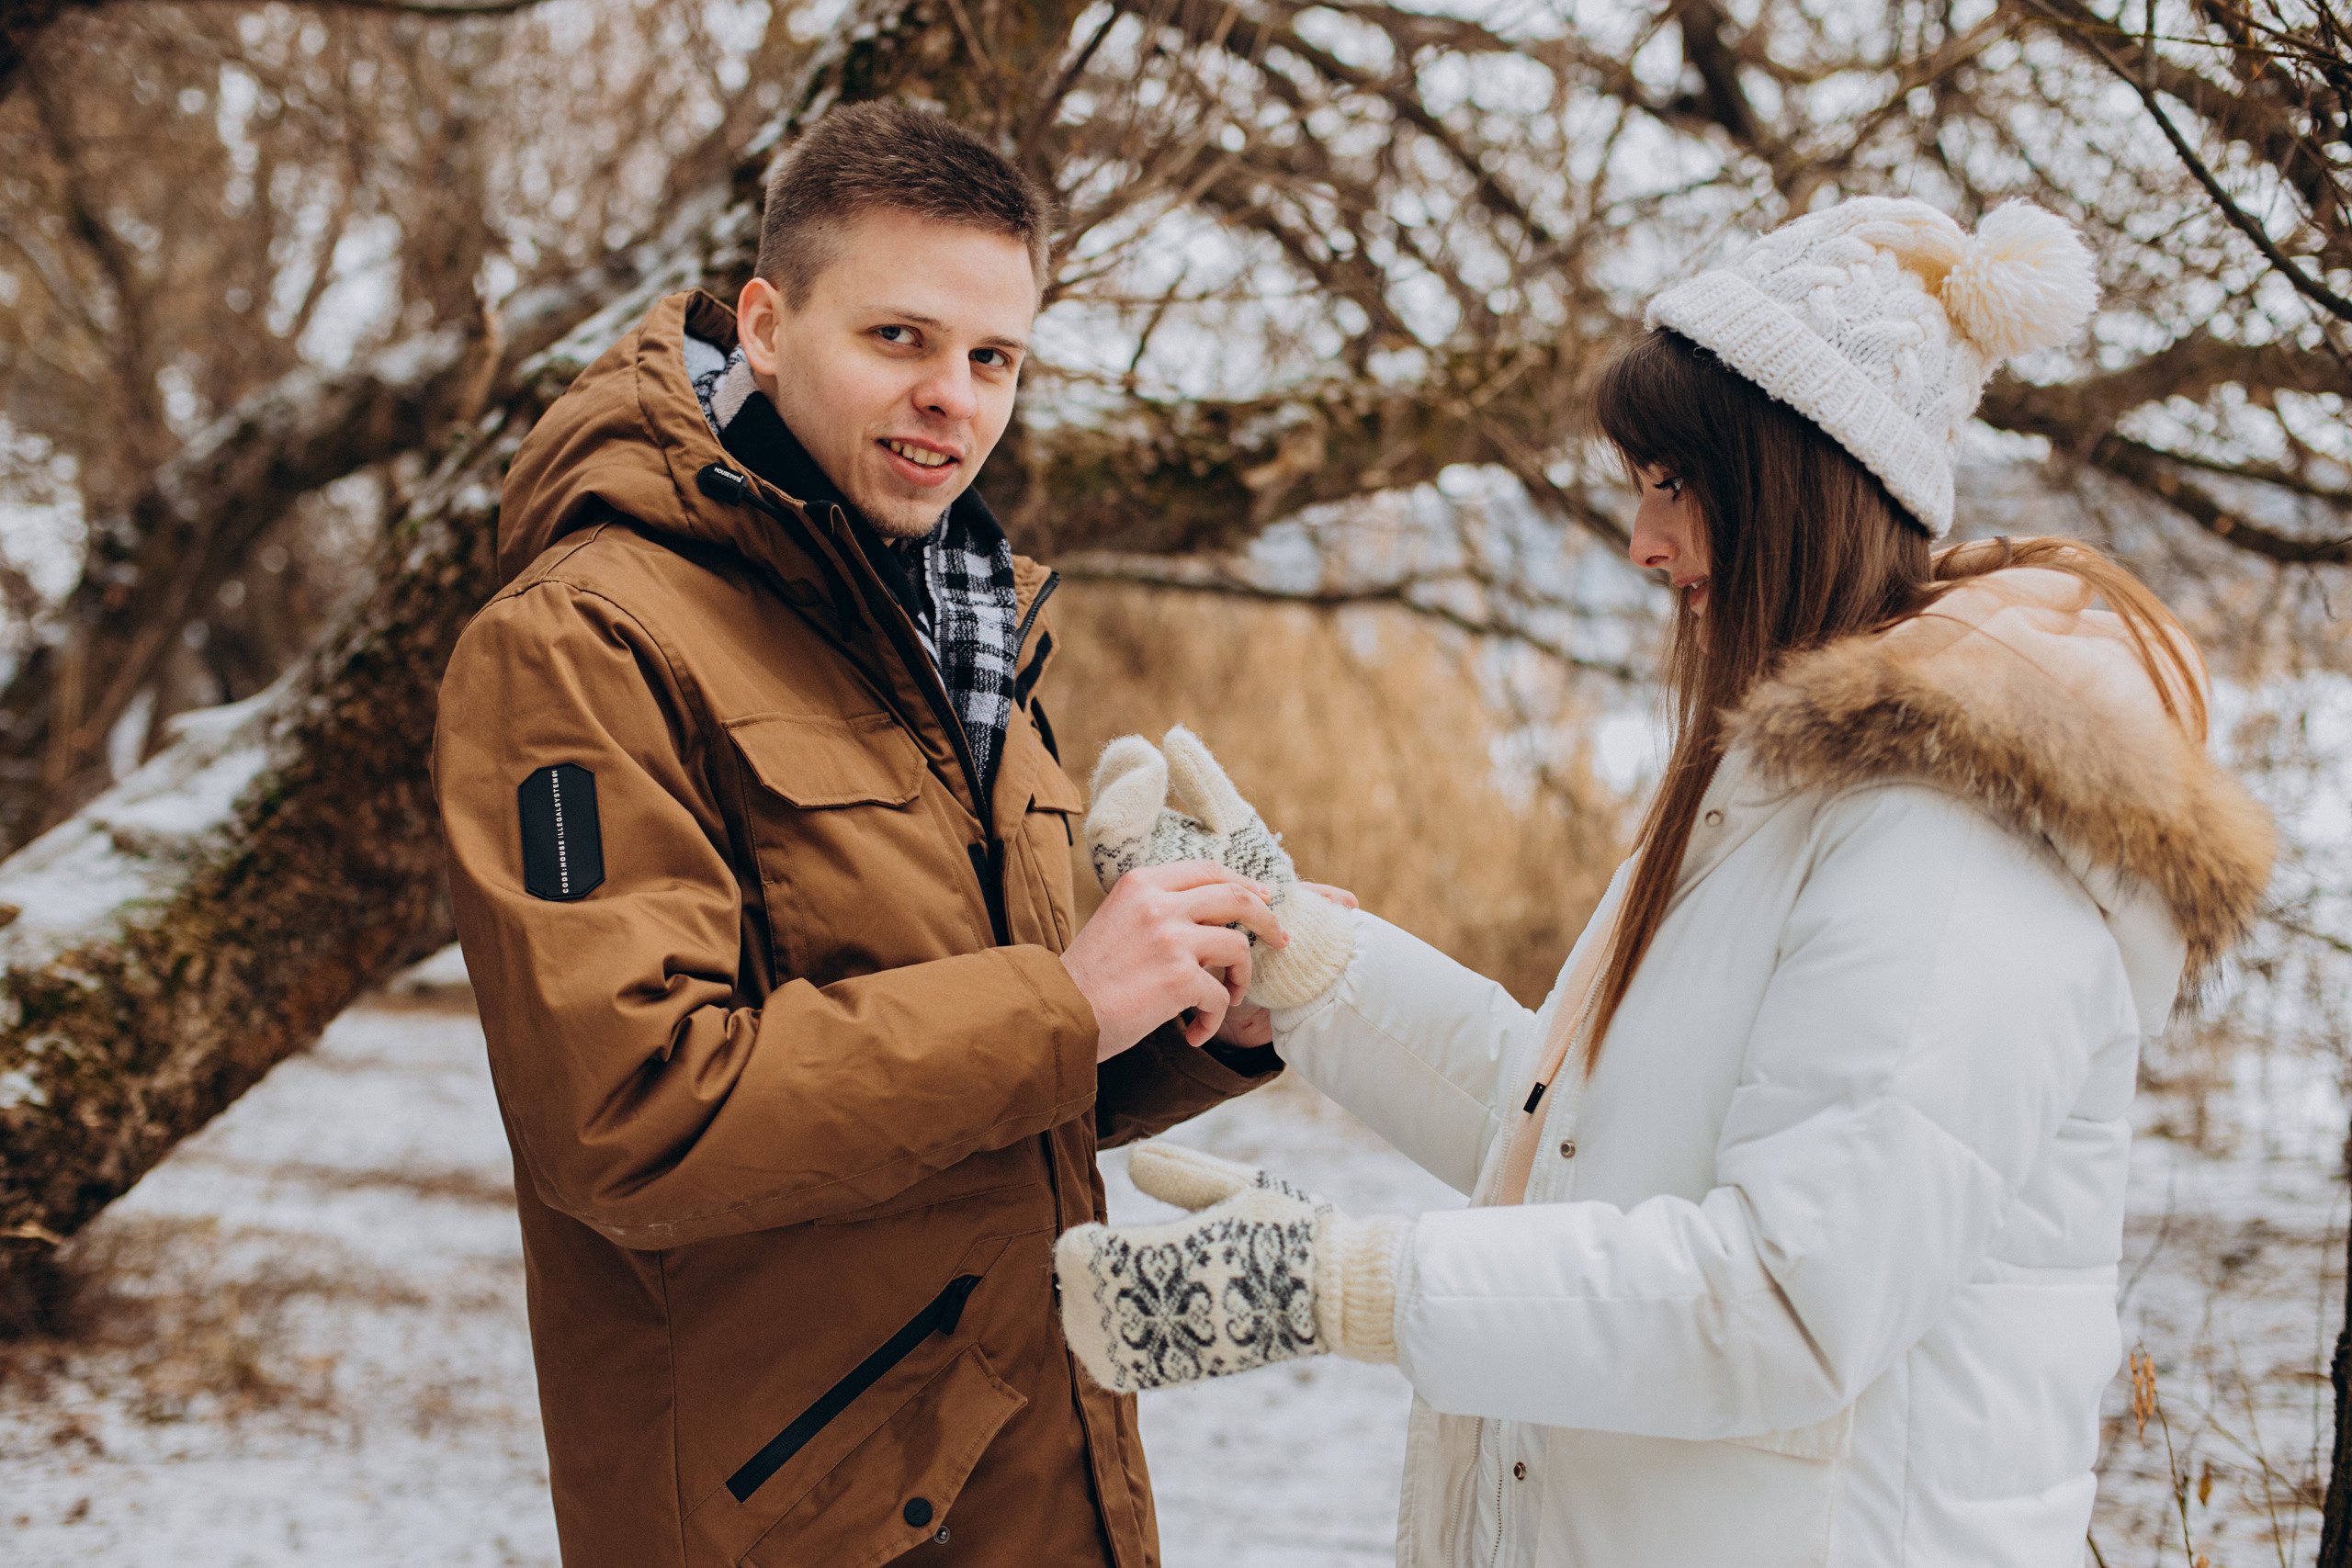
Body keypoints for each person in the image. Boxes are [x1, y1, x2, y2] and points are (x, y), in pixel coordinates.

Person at [1051, 197, 2278, 1566]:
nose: (1641, 540)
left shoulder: (1952, 840)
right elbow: (1578, 1132)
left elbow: (1786, 1299)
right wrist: (1318, 972)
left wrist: (1348, 1285)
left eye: (1673, 483)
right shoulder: (1772, 791)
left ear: (1799, 482)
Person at [433, 102, 1294, 1568]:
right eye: (899, 338)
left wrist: (1194, 1014)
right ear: (766, 325)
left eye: (992, 358)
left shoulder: (955, 626)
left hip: (1029, 1479)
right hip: (791, 1520)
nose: (952, 396)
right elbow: (631, 1119)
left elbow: (993, 1088)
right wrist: (1067, 1001)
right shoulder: (579, 645)